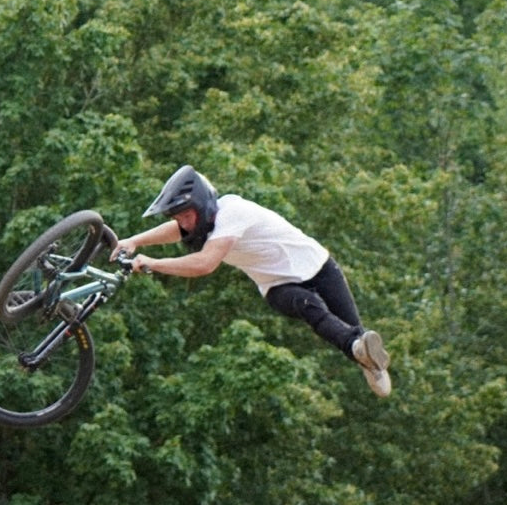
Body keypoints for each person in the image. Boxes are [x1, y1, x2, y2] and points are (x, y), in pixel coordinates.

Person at [112, 165, 392, 397]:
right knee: (311, 307)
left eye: (187, 215)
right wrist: (135, 240)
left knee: (354, 327)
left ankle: (366, 356)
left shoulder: (232, 212)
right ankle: (357, 349)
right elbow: (176, 231)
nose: (184, 224)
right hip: (277, 286)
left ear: (202, 205)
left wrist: (153, 263)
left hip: (320, 266)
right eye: (179, 218)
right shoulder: (204, 223)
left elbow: (204, 264)